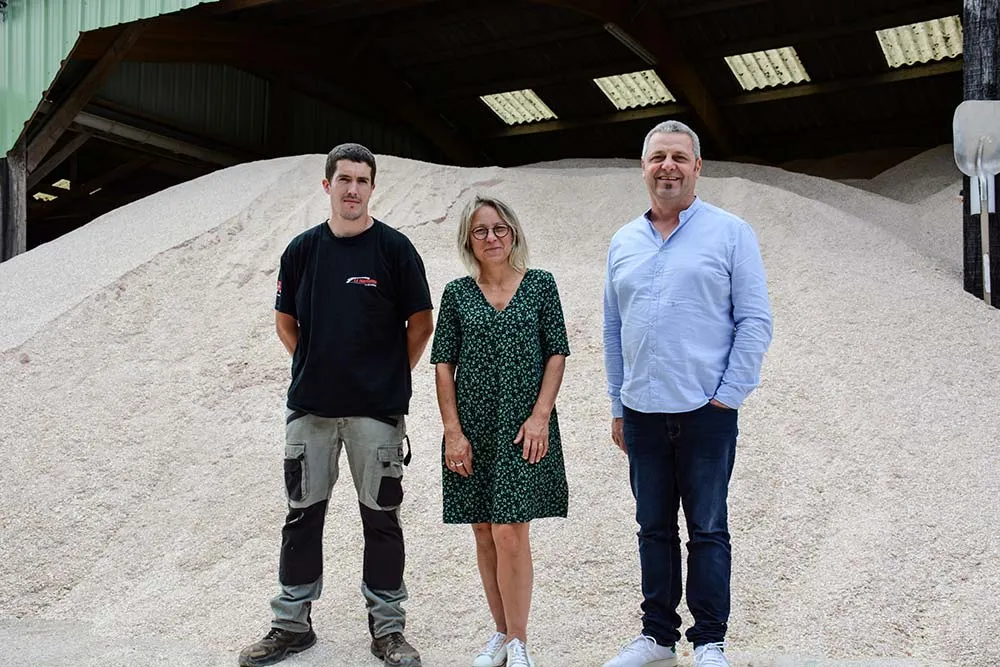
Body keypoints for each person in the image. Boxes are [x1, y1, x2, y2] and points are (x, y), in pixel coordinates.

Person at [239, 143, 434, 667]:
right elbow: (285, 321)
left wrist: (388, 376)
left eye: (362, 180)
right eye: (344, 179)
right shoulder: (302, 250)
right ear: (327, 185)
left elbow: (421, 323)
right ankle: (291, 625)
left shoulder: (394, 249)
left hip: (376, 413)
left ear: (372, 188)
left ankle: (388, 630)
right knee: (302, 516)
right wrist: (312, 365)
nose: (352, 189)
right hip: (312, 409)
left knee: (382, 519)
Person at [601, 121, 773, 667]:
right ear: (643, 168)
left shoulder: (730, 233)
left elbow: (755, 320)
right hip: (642, 413)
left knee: (708, 529)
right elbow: (613, 328)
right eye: (658, 157)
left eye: (679, 157)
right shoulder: (623, 242)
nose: (667, 166)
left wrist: (728, 395)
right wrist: (617, 404)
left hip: (706, 411)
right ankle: (657, 637)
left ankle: (709, 640)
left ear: (697, 167)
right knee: (653, 529)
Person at [430, 195, 570, 667]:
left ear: (513, 233)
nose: (491, 237)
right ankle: (500, 633)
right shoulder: (456, 294)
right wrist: (453, 432)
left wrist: (541, 416)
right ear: (468, 241)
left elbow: (556, 353)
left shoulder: (541, 285)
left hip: (523, 426)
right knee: (484, 530)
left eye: (499, 228)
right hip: (473, 428)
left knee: (511, 530)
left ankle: (519, 640)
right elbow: (443, 365)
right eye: (480, 231)